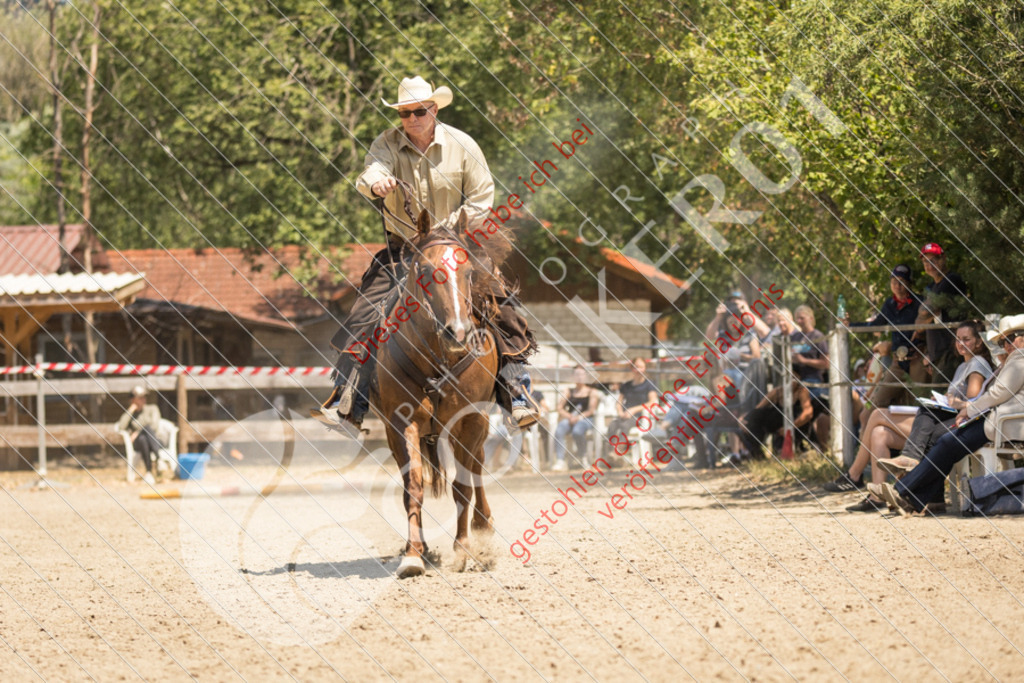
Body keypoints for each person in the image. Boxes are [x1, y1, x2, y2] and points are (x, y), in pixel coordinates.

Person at [311, 76, 538, 431]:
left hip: (459, 244)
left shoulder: (463, 145)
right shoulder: (386, 143)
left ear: (434, 110)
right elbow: (371, 170)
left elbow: (482, 196)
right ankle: (349, 398)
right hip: (404, 249)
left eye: (419, 111)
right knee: (362, 313)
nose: (412, 118)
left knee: (502, 305)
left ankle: (516, 390)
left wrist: (448, 230)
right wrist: (377, 182)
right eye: (405, 113)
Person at [869, 316, 1024, 515]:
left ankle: (903, 491)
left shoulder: (1020, 358)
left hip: (1003, 422)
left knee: (946, 443)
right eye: (1003, 342)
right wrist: (1003, 364)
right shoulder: (1013, 359)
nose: (1006, 346)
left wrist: (968, 409)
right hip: (996, 419)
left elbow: (998, 394)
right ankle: (912, 497)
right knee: (945, 442)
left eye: (1010, 339)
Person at [831, 320, 992, 511]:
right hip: (947, 418)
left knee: (878, 415)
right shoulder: (961, 367)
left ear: (979, 342)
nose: (961, 343)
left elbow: (973, 401)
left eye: (966, 339)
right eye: (958, 339)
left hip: (963, 421)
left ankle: (857, 475)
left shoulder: (977, 363)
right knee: (879, 433)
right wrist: (944, 399)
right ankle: (878, 496)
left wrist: (952, 401)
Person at [847, 264, 925, 420]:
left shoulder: (920, 302)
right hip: (898, 362)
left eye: (902, 281)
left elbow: (931, 330)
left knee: (920, 403)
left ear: (909, 283)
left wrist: (927, 354)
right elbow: (876, 325)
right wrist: (850, 325)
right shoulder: (890, 304)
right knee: (877, 402)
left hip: (918, 359)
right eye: (894, 281)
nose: (897, 286)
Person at [912, 242, 971, 386]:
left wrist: (927, 313)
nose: (930, 264)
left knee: (941, 401)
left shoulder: (952, 280)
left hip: (951, 353)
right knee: (940, 400)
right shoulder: (932, 287)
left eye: (934, 260)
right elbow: (918, 325)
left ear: (943, 258)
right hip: (936, 355)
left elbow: (925, 311)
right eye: (926, 261)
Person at [552, 365, 600, 471]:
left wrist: (578, 418)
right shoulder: (568, 391)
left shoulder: (592, 391)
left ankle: (583, 457)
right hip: (570, 419)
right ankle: (560, 460)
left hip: (586, 419)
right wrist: (570, 416)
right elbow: (559, 408)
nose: (579, 377)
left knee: (577, 431)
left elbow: (591, 410)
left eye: (581, 374)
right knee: (560, 429)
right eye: (576, 374)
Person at [606, 358, 659, 449]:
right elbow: (619, 402)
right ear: (632, 368)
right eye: (636, 367)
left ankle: (618, 452)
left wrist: (633, 410)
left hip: (640, 417)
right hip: (625, 416)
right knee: (612, 426)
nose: (638, 370)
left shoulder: (649, 384)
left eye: (641, 367)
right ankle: (611, 452)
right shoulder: (627, 385)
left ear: (645, 368)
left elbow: (652, 402)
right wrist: (620, 413)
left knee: (624, 426)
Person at [116, 386, 166, 484]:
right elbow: (121, 427)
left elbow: (154, 426)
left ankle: (149, 472)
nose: (143, 400)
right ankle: (159, 460)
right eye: (140, 398)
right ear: (133, 400)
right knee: (143, 438)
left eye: (144, 397)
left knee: (145, 435)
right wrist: (130, 410)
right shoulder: (131, 414)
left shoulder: (152, 408)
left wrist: (138, 432)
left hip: (155, 440)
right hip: (138, 444)